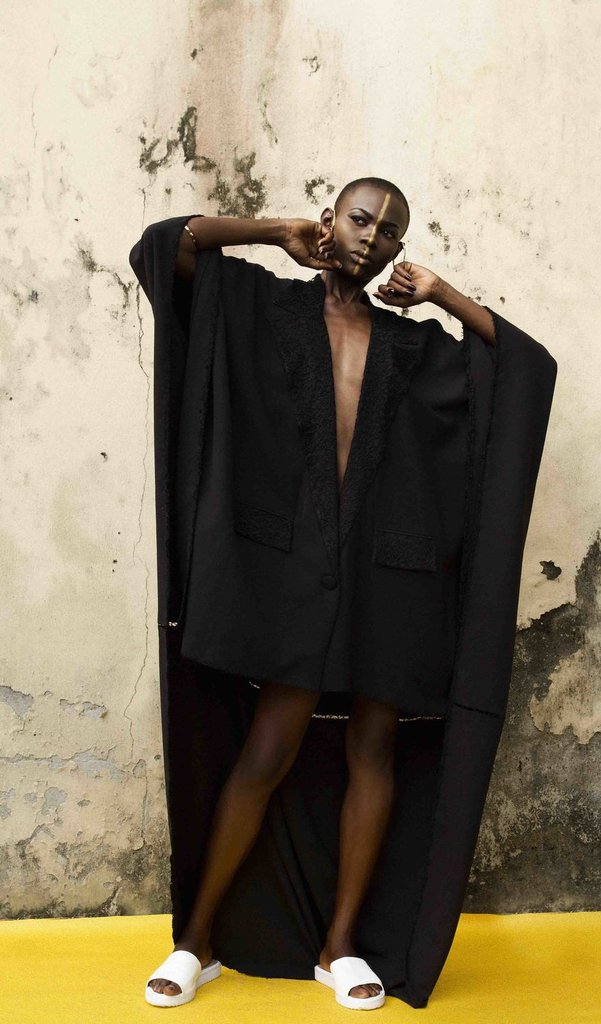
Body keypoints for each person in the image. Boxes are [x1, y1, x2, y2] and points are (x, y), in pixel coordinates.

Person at [143, 178, 503, 1008]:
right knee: (268, 748)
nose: (372, 236)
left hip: (387, 572)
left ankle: (338, 947)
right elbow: (169, 244)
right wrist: (274, 231)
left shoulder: (412, 344)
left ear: (399, 249)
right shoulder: (267, 304)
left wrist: (443, 295)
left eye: (390, 230)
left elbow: (518, 367)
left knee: (372, 746)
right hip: (293, 568)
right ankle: (197, 940)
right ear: (331, 219)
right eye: (360, 218)